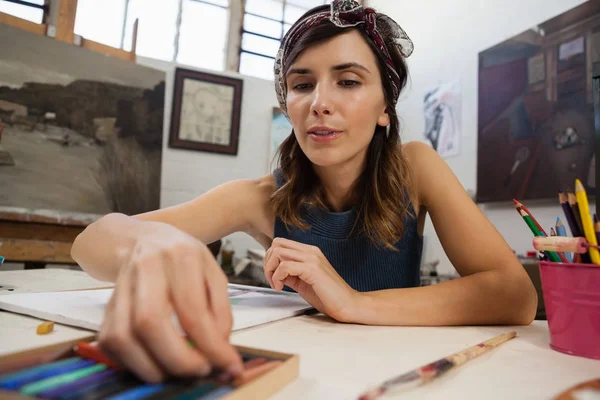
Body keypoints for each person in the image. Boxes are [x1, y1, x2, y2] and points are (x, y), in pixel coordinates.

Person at [71, 0, 538, 384]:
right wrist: (149, 243)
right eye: (302, 84)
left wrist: (352, 302)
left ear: (384, 110)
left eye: (349, 81)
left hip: (398, 378)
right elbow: (89, 243)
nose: (320, 103)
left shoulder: (416, 168)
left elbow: (515, 297)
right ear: (288, 103)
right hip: (308, 380)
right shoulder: (262, 198)